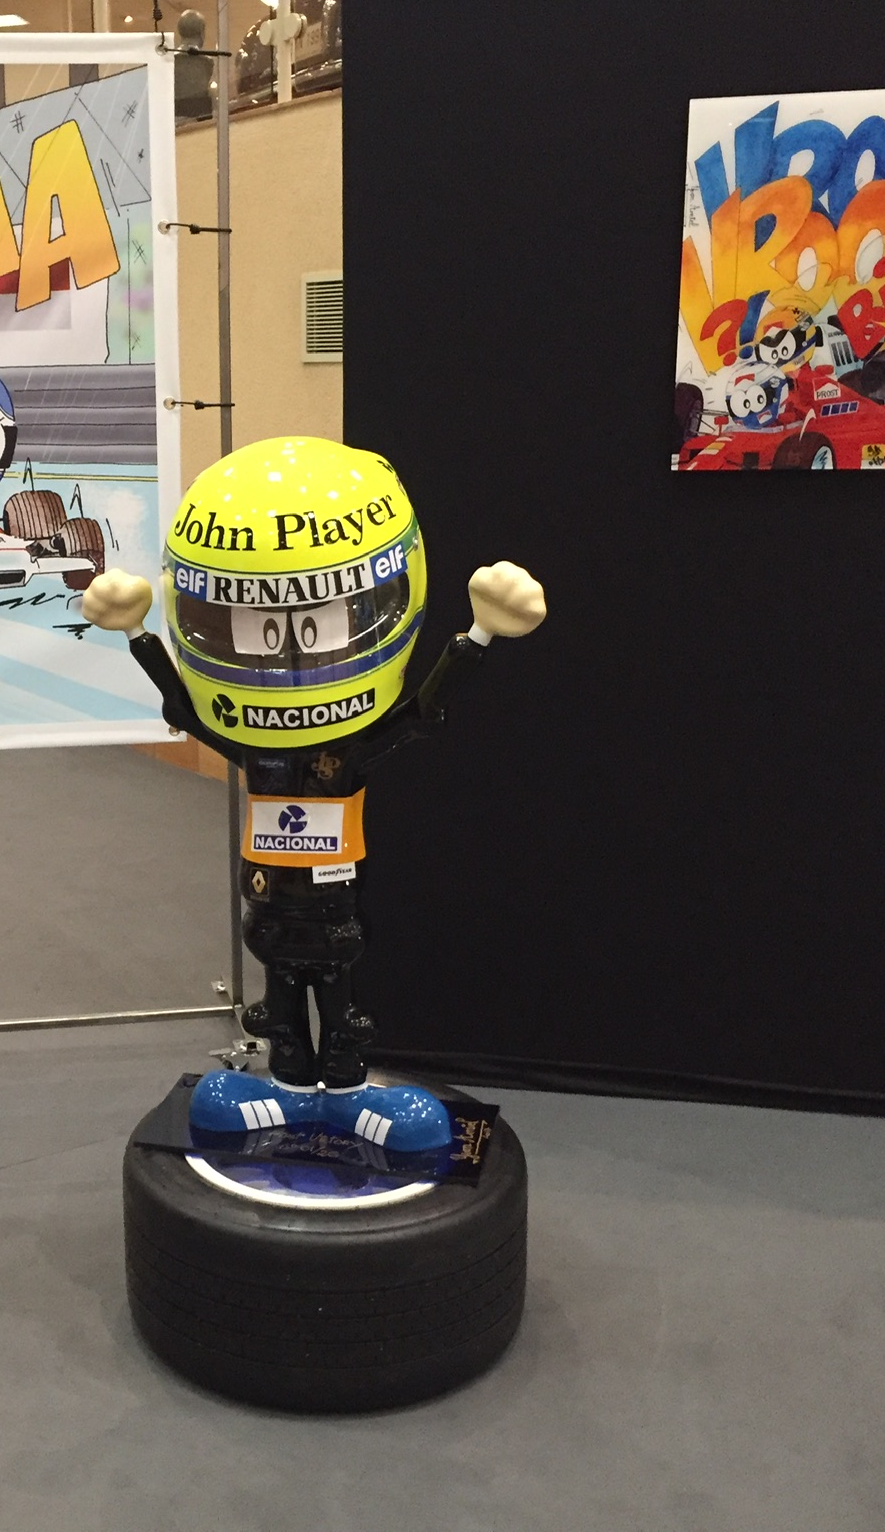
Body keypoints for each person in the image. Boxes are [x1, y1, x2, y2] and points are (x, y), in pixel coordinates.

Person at [80, 437, 546, 1152]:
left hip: (331, 906)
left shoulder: (341, 753)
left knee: (340, 1000)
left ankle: (347, 1087)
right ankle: (291, 1085)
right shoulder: (260, 749)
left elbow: (421, 716)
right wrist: (139, 635)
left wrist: (477, 638)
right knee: (282, 1003)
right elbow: (187, 710)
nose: (289, 653)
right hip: (271, 906)